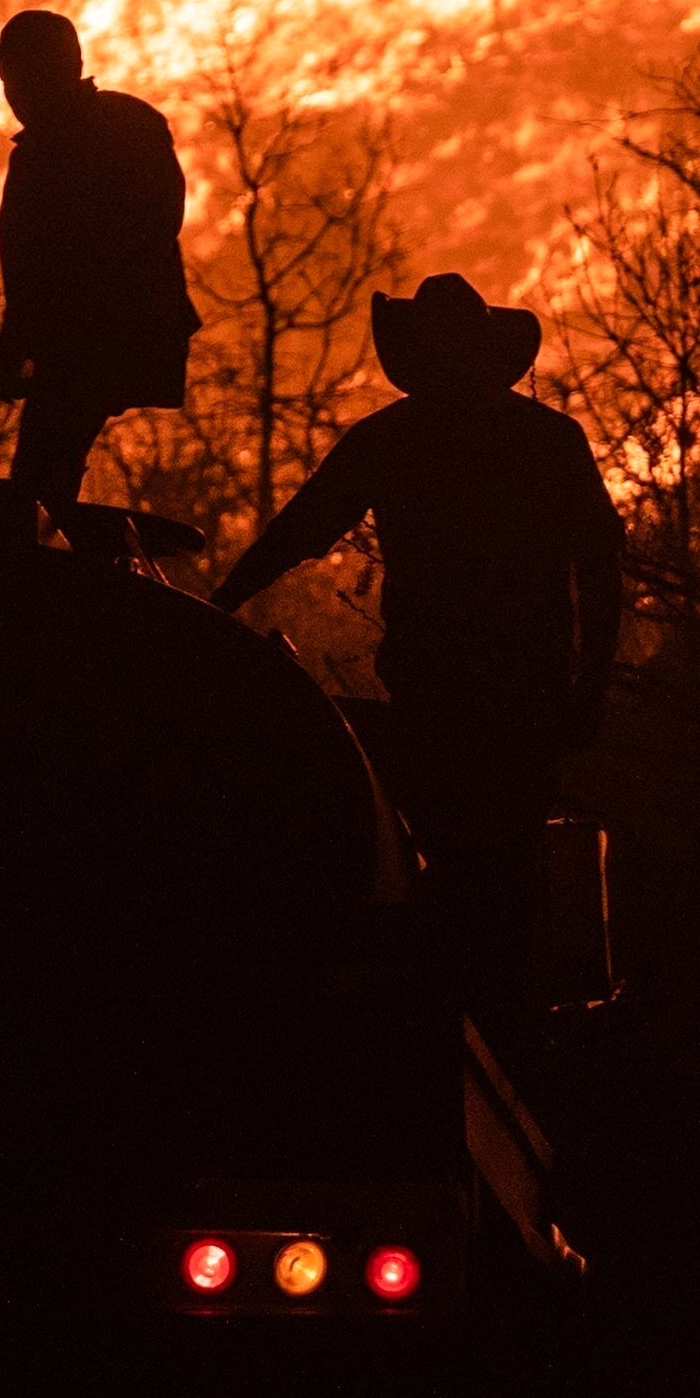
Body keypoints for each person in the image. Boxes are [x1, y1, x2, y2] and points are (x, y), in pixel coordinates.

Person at [210, 273, 625, 1024]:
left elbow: (301, 529)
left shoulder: (395, 438)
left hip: (454, 695)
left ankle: (473, 1033)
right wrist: (588, 686)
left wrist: (219, 604)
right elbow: (600, 568)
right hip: (510, 696)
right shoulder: (545, 438)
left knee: (457, 872)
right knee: (498, 882)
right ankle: (495, 1036)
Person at [0, 8, 200, 546]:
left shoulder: (60, 147)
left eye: (19, 75)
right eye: (7, 78)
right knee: (46, 472)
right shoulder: (128, 124)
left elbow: (52, 268)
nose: (10, 89)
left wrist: (20, 342)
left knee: (35, 487)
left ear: (55, 69)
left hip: (92, 343)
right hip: (105, 339)